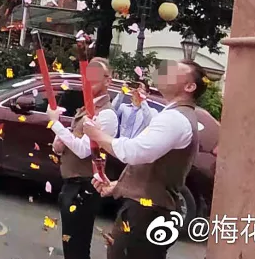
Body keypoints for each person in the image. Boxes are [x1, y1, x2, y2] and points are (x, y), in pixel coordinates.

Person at [82, 60, 207, 259]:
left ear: (189, 87)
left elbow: (134, 152)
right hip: (146, 210)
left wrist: (97, 135)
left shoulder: (175, 118)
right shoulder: (174, 115)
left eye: (174, 71)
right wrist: (120, 185)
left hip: (146, 213)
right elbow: (148, 161)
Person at [47, 58, 119, 259]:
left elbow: (83, 150)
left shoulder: (107, 114)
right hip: (72, 184)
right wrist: (59, 143)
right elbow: (69, 142)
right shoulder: (86, 108)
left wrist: (55, 123)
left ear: (108, 80)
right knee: (71, 247)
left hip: (85, 186)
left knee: (77, 249)